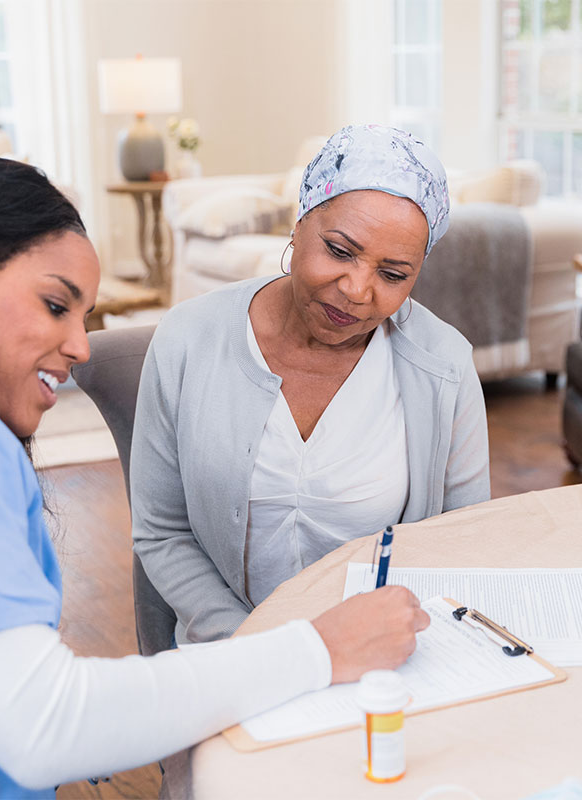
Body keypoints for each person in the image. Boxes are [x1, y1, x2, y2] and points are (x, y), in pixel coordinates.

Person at [0, 154, 430, 798]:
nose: (81, 347)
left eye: (83, 316)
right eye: (55, 304)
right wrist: (320, 648)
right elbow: (43, 724)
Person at [131, 124, 490, 646]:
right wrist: (257, 645)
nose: (357, 290)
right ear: (299, 224)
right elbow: (163, 532)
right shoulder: (187, 339)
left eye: (393, 274)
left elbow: (462, 540)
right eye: (340, 251)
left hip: (384, 656)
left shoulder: (445, 366)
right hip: (232, 655)